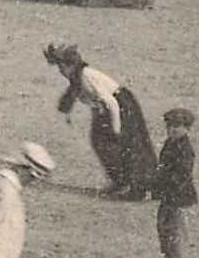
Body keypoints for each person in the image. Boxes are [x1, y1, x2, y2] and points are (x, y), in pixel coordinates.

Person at [44, 43, 156, 201]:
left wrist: (117, 129)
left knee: (127, 145)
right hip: (108, 109)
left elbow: (111, 102)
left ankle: (138, 189)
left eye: (61, 67)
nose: (60, 71)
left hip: (122, 105)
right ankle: (120, 182)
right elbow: (90, 100)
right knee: (99, 141)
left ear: (70, 65)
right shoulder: (76, 78)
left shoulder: (87, 76)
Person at [151, 108, 197, 258]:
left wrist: (168, 185)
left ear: (187, 128)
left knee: (175, 230)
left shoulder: (185, 148)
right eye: (169, 126)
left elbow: (183, 174)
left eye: (177, 126)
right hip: (168, 195)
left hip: (178, 196)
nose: (172, 130)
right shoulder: (170, 143)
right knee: (164, 227)